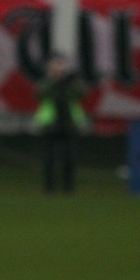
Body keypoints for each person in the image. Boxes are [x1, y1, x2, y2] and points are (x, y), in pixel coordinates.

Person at [35, 53, 86, 194]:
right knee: (49, 158)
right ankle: (49, 187)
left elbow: (82, 93)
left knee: (69, 158)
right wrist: (55, 82)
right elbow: (40, 93)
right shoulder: (46, 83)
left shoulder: (71, 83)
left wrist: (67, 82)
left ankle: (68, 187)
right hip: (50, 124)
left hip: (68, 124)